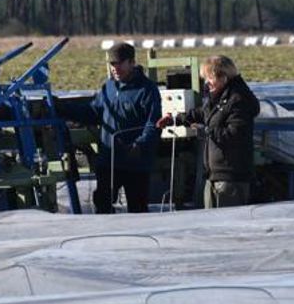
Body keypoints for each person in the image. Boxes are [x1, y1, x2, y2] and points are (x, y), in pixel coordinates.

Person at [60, 42, 161, 213]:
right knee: (103, 204)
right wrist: (63, 109)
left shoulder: (147, 90)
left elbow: (153, 123)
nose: (115, 68)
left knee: (138, 210)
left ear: (132, 62)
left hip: (135, 163)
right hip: (109, 160)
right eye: (112, 64)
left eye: (119, 64)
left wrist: (139, 145)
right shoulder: (108, 87)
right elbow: (93, 112)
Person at [157, 55, 260, 208]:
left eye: (210, 78)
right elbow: (202, 113)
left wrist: (205, 131)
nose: (207, 82)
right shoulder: (217, 98)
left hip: (230, 178)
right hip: (214, 176)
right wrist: (175, 119)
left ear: (223, 77)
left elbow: (234, 134)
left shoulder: (238, 100)